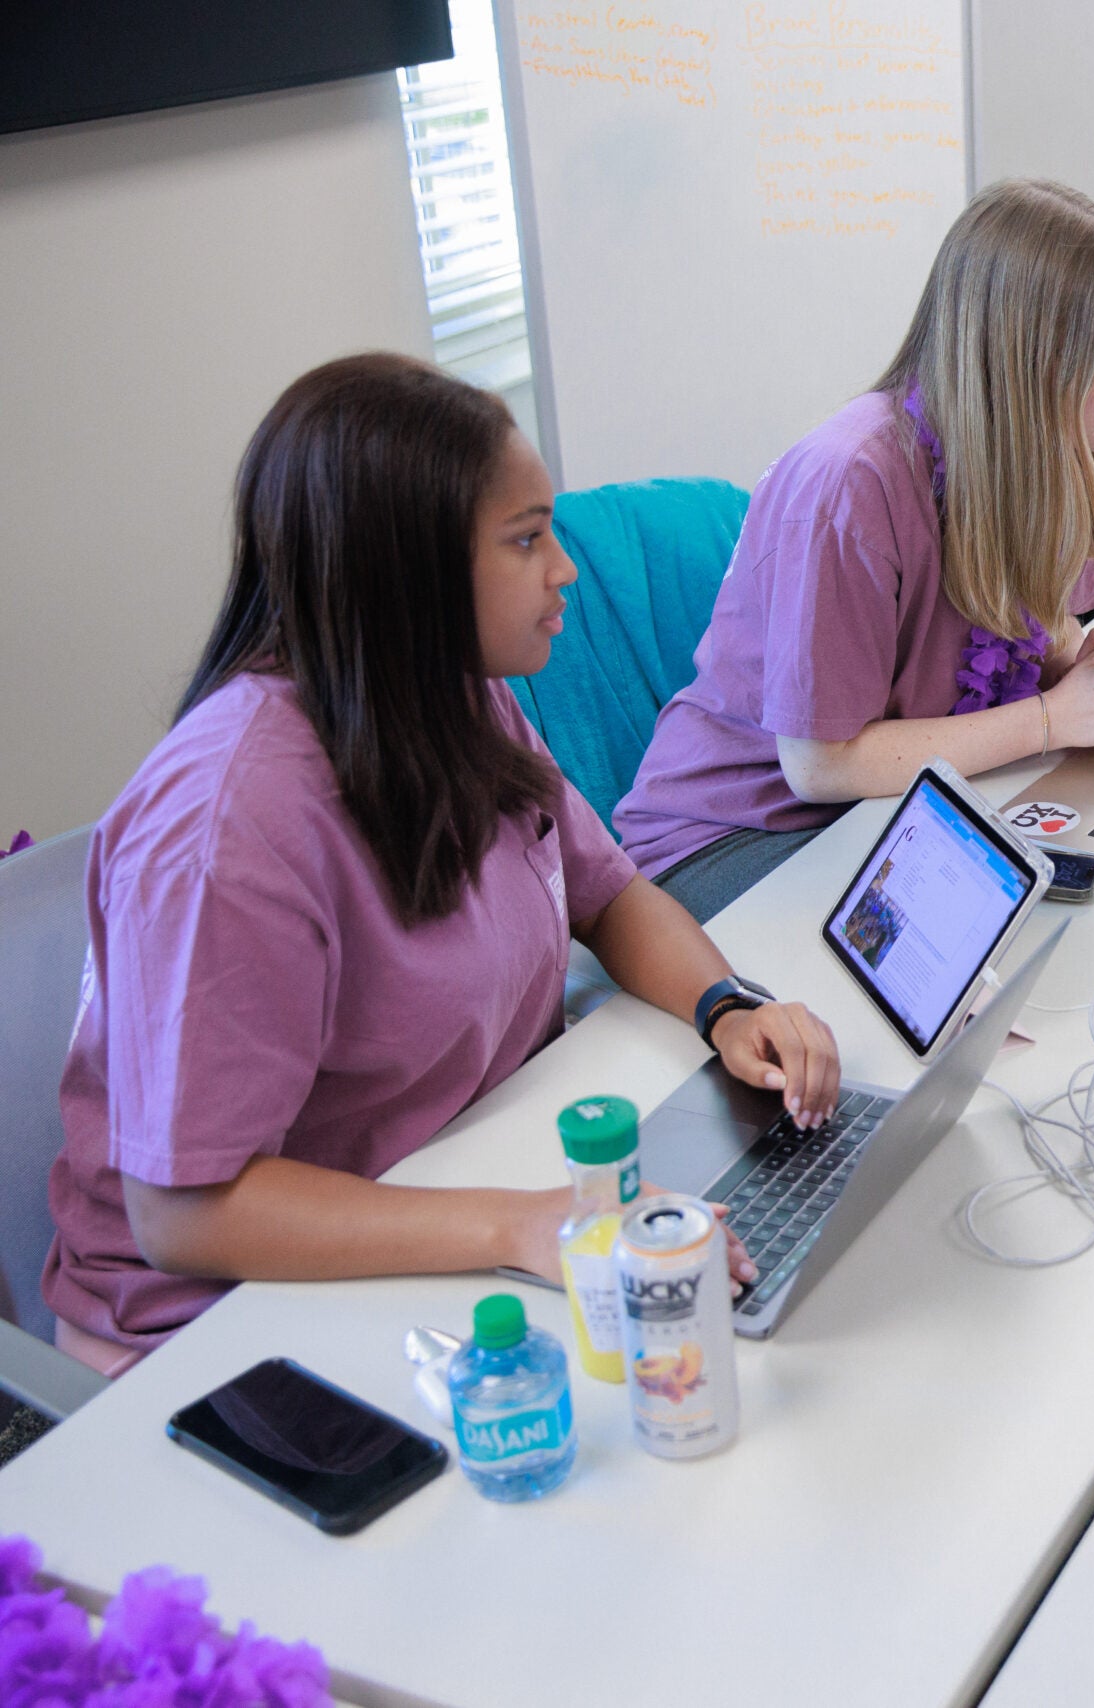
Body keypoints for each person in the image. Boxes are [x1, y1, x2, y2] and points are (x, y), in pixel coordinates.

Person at [44, 354, 842, 1376]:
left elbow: (607, 893)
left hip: (453, 1183)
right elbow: (188, 1214)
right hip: (224, 1323)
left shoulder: (453, 693)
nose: (566, 568)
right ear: (408, 573)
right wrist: (518, 1225)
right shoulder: (224, 828)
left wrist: (726, 1008)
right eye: (527, 538)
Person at [616, 179, 1094, 919]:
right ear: (1024, 362)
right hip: (745, 834)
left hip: (901, 804)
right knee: (990, 948)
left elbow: (1035, 632)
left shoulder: (1053, 448)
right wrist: (1054, 718)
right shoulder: (847, 484)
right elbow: (819, 765)